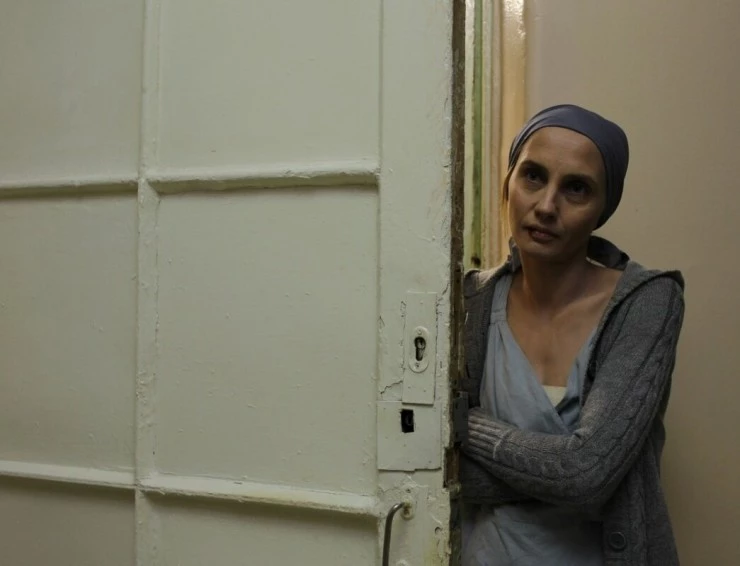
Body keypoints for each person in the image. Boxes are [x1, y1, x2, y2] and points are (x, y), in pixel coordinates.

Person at [460, 104, 685, 566]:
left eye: (576, 188)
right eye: (533, 176)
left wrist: (468, 427)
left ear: (603, 209)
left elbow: (587, 475)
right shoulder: (472, 300)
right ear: (508, 182)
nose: (546, 206)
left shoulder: (646, 301)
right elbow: (440, 470)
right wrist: (564, 473)